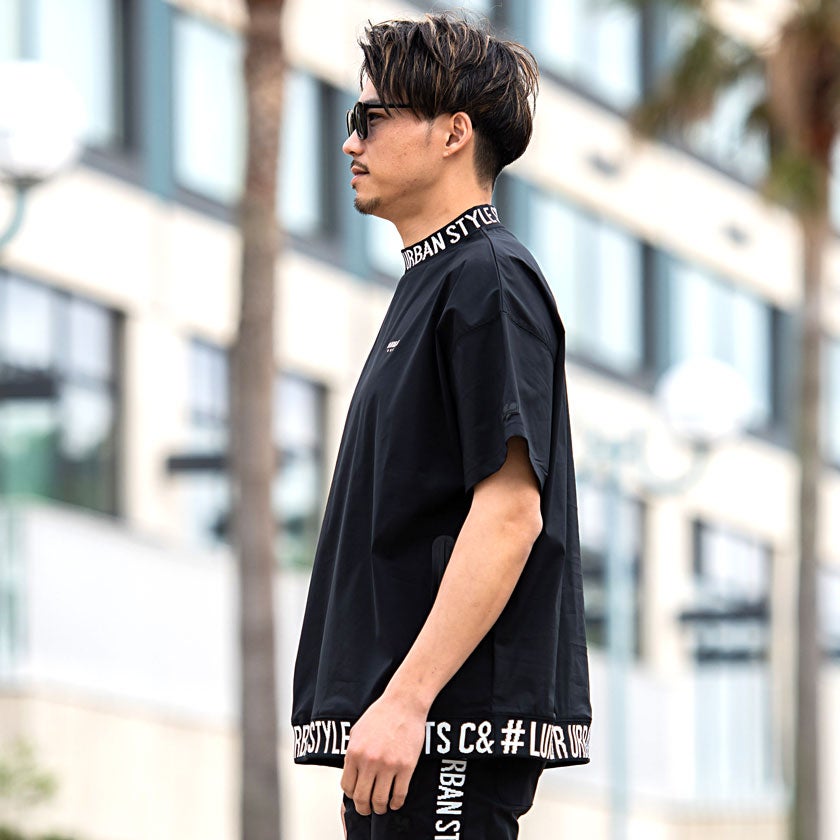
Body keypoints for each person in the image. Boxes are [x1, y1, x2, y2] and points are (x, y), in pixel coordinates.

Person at [292, 12, 591, 839]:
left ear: (454, 133)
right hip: (403, 730)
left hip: (443, 727)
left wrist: (408, 698)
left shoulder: (489, 279)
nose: (350, 143)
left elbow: (511, 511)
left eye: (371, 118)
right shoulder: (431, 283)